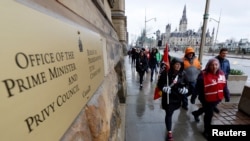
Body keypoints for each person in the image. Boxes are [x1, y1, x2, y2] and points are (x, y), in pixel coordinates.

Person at [191, 58, 229, 139]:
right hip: (206, 98)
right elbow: (197, 88)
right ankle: (207, 131)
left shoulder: (222, 74)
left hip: (216, 98)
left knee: (207, 109)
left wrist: (227, 95)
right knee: (209, 114)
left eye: (216, 65)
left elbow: (224, 85)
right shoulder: (203, 75)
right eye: (212, 65)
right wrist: (193, 97)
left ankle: (196, 113)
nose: (214, 67)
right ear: (208, 66)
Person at [157, 58, 189, 141]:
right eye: (177, 64)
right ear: (173, 64)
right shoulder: (166, 73)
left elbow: (187, 84)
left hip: (177, 98)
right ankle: (169, 132)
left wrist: (185, 88)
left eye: (180, 64)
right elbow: (159, 83)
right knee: (169, 114)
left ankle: (169, 128)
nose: (178, 66)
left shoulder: (183, 74)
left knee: (172, 112)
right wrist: (163, 87)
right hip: (168, 98)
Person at [214, 48, 231, 113]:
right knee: (216, 94)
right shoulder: (215, 60)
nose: (225, 55)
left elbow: (228, 70)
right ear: (220, 53)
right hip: (216, 80)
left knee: (222, 92)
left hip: (223, 79)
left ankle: (215, 104)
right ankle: (214, 105)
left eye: (226, 53)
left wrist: (226, 77)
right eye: (223, 53)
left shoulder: (227, 61)